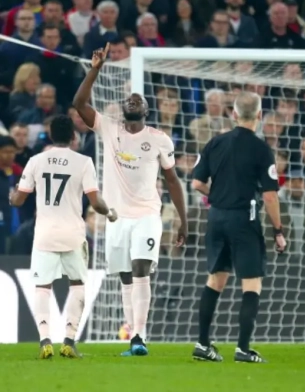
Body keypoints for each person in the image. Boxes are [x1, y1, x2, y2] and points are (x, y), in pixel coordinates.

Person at [71, 43, 188, 357]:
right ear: (123, 109)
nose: (132, 100)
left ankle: (140, 337)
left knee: (140, 268)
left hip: (147, 215)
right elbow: (79, 103)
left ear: (146, 111)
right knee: (125, 276)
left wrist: (183, 220)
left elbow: (173, 181)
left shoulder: (159, 139)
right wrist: (95, 69)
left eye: (138, 100)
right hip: (116, 217)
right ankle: (133, 336)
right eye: (128, 100)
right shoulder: (109, 128)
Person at [9, 115, 117, 359]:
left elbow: (19, 199)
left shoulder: (36, 161)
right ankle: (69, 340)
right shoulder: (84, 162)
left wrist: (11, 197)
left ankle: (45, 340)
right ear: (73, 136)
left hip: (45, 233)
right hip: (73, 234)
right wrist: (110, 212)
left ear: (50, 135)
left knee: (42, 287)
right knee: (77, 284)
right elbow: (95, 202)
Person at [191, 91, 286, 364]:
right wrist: (278, 230)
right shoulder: (261, 149)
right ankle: (243, 349)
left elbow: (197, 183)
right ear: (259, 115)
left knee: (215, 280)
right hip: (244, 218)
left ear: (233, 114)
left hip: (216, 217)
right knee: (251, 283)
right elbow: (270, 196)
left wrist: (219, 195)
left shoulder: (215, 142)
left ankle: (202, 344)